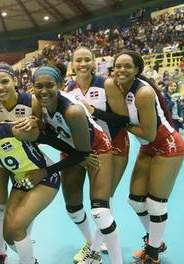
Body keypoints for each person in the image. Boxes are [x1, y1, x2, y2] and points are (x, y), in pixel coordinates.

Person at [31, 66, 122, 264]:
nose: (43, 90)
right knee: (72, 207)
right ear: (33, 87)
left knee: (100, 211)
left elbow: (83, 152)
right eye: (39, 86)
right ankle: (92, 248)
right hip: (72, 148)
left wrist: (45, 172)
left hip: (97, 148)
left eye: (49, 85)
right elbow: (51, 136)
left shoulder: (72, 111)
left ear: (59, 85)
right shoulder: (39, 105)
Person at [105, 50, 184, 264]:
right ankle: (156, 241)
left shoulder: (143, 92)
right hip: (148, 148)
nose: (121, 70)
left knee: (155, 203)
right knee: (136, 201)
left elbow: (148, 133)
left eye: (127, 66)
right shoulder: (121, 88)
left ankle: (153, 254)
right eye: (118, 65)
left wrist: (120, 123)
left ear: (137, 69)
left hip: (167, 145)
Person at [0, 97, 61, 264]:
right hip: (21, 181)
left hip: (45, 176)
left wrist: (79, 156)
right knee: (8, 236)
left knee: (17, 228)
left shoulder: (15, 130)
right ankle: (29, 259)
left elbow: (49, 138)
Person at [65, 46, 130, 262]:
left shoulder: (107, 84)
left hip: (114, 144)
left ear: (93, 62)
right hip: (87, 147)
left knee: (104, 199)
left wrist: (94, 111)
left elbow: (122, 120)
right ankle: (93, 243)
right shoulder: (69, 89)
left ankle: (93, 250)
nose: (83, 64)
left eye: (87, 60)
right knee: (83, 201)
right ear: (72, 64)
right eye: (78, 60)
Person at [0, 61, 36, 262]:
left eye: (4, 81)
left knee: (24, 208)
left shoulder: (31, 101)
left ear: (15, 80)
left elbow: (41, 128)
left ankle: (26, 241)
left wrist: (36, 121)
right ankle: (2, 252)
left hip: (25, 162)